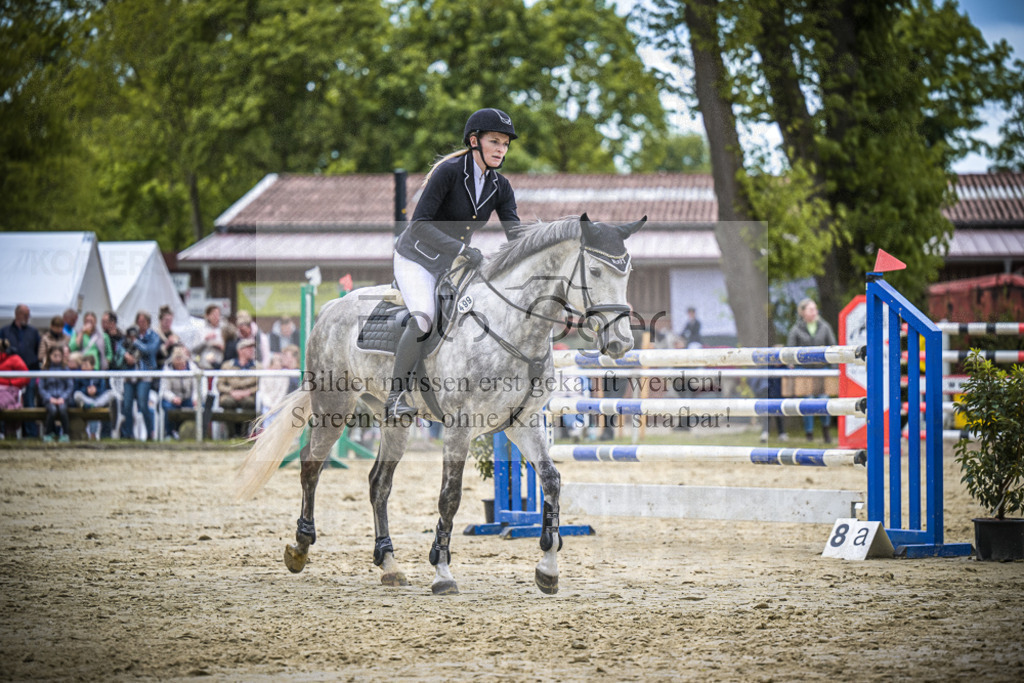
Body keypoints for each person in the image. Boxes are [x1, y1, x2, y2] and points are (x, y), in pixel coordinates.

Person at [386, 107, 520, 418]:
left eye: (505, 144)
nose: (501, 150)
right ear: (475, 140)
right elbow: (419, 224)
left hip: (453, 264)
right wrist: (461, 248)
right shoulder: (449, 172)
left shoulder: (500, 186)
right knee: (424, 318)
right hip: (415, 258)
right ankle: (395, 396)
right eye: (495, 142)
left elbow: (516, 234)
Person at [787, 298, 838, 443]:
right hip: (804, 371)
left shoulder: (825, 326)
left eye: (815, 309)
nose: (814, 312)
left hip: (822, 370)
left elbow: (833, 347)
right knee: (807, 402)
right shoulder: (796, 329)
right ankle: (809, 434)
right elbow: (790, 351)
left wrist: (833, 370)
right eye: (811, 309)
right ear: (802, 312)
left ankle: (826, 431)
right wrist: (792, 366)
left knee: (824, 401)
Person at [119, 311, 161, 441]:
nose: (140, 324)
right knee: (126, 405)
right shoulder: (129, 334)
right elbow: (119, 346)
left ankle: (150, 433)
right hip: (130, 375)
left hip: (145, 374)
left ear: (148, 323)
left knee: (143, 405)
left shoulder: (154, 336)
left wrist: (136, 342)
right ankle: (128, 435)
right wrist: (126, 355)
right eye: (139, 321)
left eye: (143, 322)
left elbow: (149, 350)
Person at [1, 305, 42, 436]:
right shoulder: (5, 331)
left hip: (28, 373)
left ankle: (30, 434)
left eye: (28, 314)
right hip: (8, 377)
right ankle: (6, 433)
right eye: (25, 314)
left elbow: (37, 351)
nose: (27, 317)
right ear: (17, 314)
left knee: (29, 402)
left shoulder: (33, 332)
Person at [217, 337, 260, 437]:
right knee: (227, 402)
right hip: (230, 394)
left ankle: (244, 434)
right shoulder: (227, 366)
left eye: (252, 348)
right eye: (248, 348)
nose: (252, 350)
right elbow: (220, 384)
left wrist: (249, 391)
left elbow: (261, 385)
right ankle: (231, 434)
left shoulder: (258, 366)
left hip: (249, 395)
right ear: (240, 350)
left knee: (249, 403)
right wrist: (231, 391)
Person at [73, 354, 117, 440]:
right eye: (82, 365)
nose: (83, 367)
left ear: (92, 366)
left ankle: (93, 406)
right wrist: (86, 390)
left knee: (111, 393)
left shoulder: (99, 374)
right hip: (87, 399)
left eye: (86, 365)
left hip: (97, 399)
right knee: (77, 395)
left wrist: (96, 390)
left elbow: (103, 389)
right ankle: (93, 406)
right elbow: (76, 389)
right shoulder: (79, 375)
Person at [160, 345, 198, 440]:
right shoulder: (167, 370)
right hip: (173, 399)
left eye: (183, 364)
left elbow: (197, 388)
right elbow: (164, 390)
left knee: (200, 405)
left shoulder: (193, 368)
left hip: (188, 398)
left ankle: (196, 434)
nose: (181, 366)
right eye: (178, 365)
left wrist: (195, 399)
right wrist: (173, 398)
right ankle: (169, 434)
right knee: (167, 406)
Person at [38, 346, 73, 442]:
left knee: (62, 409)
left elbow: (70, 386)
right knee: (52, 410)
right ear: (49, 356)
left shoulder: (65, 369)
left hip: (62, 398)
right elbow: (41, 387)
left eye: (59, 356)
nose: (57, 358)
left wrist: (63, 397)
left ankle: (66, 434)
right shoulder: (45, 369)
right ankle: (48, 433)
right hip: (49, 398)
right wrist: (49, 398)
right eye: (55, 356)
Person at [0, 338, 30, 439]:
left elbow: (26, 377)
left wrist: (10, 383)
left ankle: (4, 432)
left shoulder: (15, 359)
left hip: (11, 391)